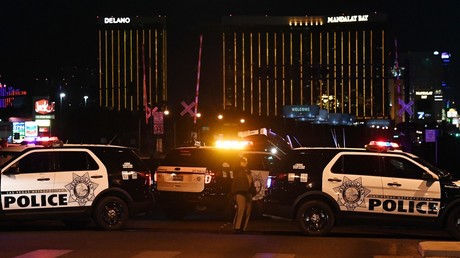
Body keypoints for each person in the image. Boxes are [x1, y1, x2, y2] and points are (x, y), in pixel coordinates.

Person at [231, 156, 255, 233]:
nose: (245, 162)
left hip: (248, 192)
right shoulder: (237, 170)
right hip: (240, 192)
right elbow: (235, 166)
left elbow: (251, 182)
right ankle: (237, 227)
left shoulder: (248, 171)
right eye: (243, 161)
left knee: (248, 211)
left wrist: (252, 191)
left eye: (246, 161)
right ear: (240, 162)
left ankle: (244, 228)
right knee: (241, 209)